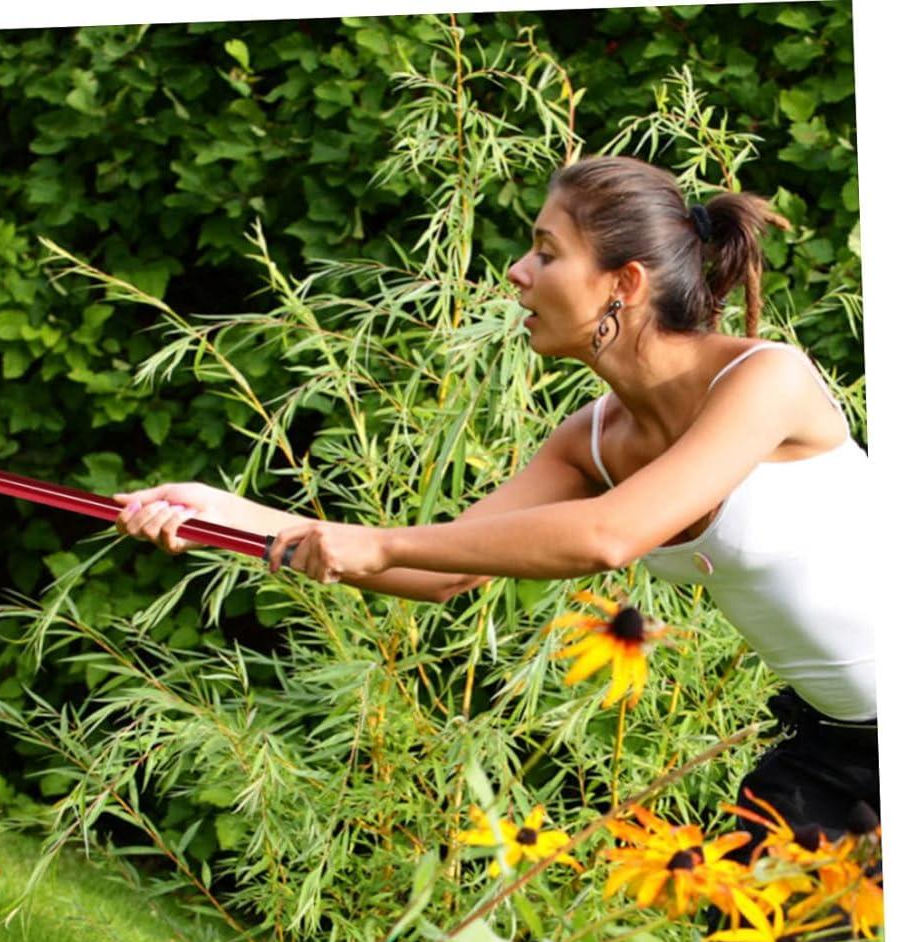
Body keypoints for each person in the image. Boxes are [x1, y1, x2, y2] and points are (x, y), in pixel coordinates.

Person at [113, 154, 880, 887]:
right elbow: (441, 568)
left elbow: (607, 536)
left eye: (546, 252)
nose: (517, 272)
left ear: (625, 282)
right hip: (834, 748)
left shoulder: (764, 379)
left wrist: (372, 542)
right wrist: (230, 518)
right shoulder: (593, 441)